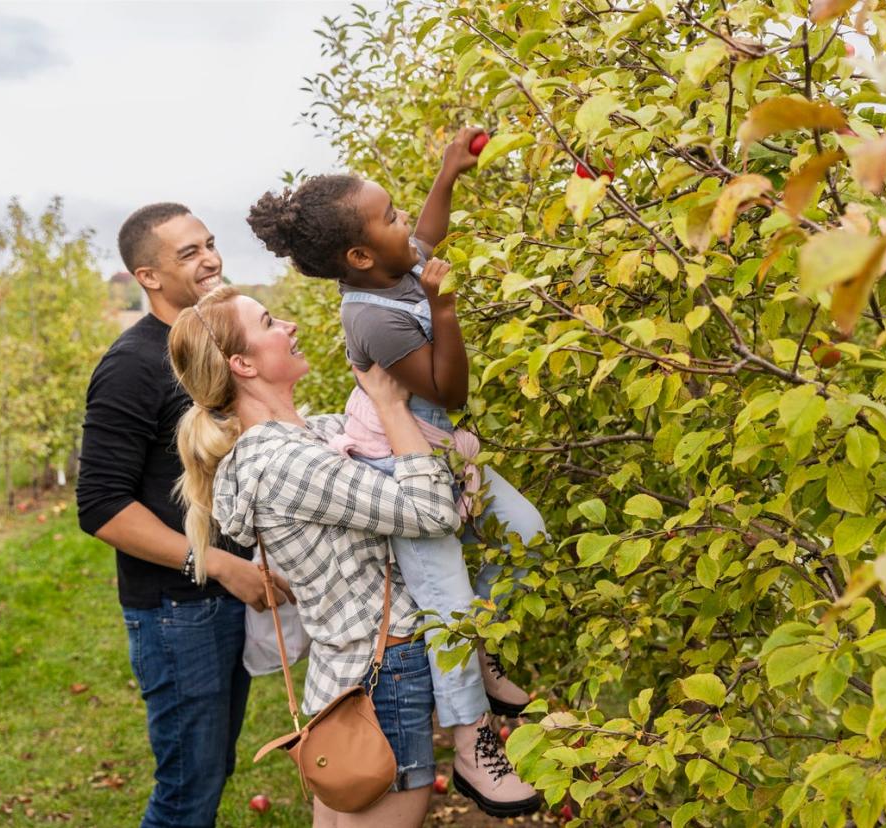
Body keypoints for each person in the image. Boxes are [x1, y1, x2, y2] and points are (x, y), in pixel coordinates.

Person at [244, 128, 544, 817]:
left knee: (527, 532)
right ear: (358, 254)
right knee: (448, 611)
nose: (406, 221)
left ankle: (487, 654)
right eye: (391, 217)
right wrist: (444, 308)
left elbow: (427, 237)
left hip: (445, 454)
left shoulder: (393, 266)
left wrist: (449, 174)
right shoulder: (371, 318)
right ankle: (473, 748)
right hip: (402, 473)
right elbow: (447, 391)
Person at [168, 285, 464, 827]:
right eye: (268, 322)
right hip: (381, 673)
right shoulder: (285, 461)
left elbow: (363, 442)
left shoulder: (308, 436)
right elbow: (432, 511)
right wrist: (392, 405)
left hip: (345, 676)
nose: (289, 326)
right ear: (242, 363)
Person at [76, 203, 292, 828]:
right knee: (186, 792)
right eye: (189, 253)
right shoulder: (133, 366)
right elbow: (101, 506)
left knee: (210, 769)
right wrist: (222, 565)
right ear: (147, 276)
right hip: (178, 610)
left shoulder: (209, 348)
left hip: (220, 597)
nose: (212, 260)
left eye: (211, 244)